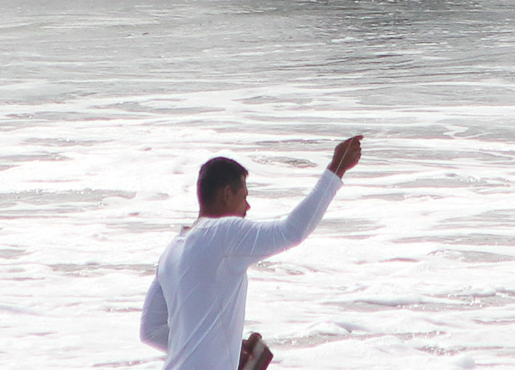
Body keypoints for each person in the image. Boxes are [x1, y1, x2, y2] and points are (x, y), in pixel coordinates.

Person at [140, 136, 364, 370]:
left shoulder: (171, 250)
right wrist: (336, 169)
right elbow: (291, 231)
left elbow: (150, 331)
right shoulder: (222, 233)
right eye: (244, 197)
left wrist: (227, 349)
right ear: (227, 194)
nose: (247, 207)